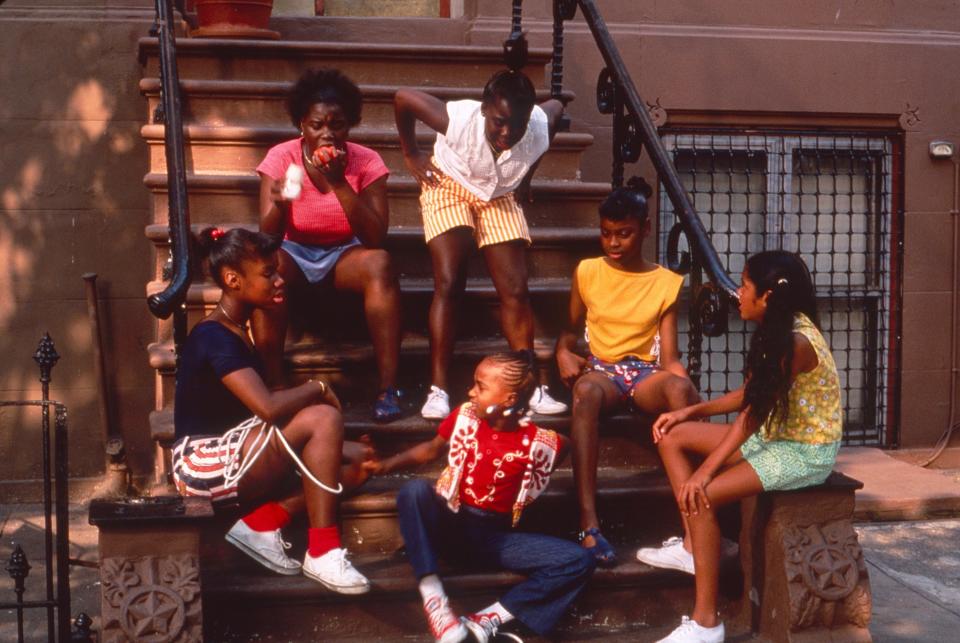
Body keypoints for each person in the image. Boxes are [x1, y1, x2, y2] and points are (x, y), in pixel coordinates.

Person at [648, 251, 843, 643]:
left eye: (744, 285)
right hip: (775, 434)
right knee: (671, 436)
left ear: (768, 296)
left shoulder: (795, 342)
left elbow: (750, 417)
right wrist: (691, 412)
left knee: (703, 497)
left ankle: (706, 624)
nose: (737, 293)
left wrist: (704, 474)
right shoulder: (779, 328)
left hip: (803, 452)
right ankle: (693, 546)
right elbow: (750, 396)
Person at [171, 227, 372, 594]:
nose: (280, 281)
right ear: (233, 280)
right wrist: (319, 387)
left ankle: (261, 524)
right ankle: (323, 551)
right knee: (324, 416)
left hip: (236, 452)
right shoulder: (213, 336)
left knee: (354, 468)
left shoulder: (238, 330)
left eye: (277, 271)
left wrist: (339, 447)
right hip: (199, 465)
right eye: (268, 273)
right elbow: (266, 408)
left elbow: (270, 413)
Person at [365, 351, 596, 643]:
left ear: (509, 399)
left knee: (578, 560)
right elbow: (431, 449)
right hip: (452, 526)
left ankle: (485, 619)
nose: (471, 391)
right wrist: (384, 466)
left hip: (494, 541)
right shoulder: (465, 417)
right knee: (415, 491)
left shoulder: (537, 441)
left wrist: (532, 442)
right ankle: (434, 597)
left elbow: (565, 445)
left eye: (481, 386)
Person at [394, 69, 568, 420]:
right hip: (449, 185)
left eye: (516, 126)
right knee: (449, 280)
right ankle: (438, 391)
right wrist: (411, 152)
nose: (508, 133)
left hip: (499, 194)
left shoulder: (536, 123)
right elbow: (403, 97)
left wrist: (526, 178)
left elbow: (556, 108)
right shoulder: (456, 119)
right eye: (500, 122)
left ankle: (529, 386)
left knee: (516, 289)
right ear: (485, 110)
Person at [554, 179, 699, 566]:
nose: (614, 243)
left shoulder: (666, 283)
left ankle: (694, 532)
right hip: (602, 372)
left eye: (624, 234)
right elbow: (568, 333)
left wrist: (686, 391)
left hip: (644, 374)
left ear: (646, 229)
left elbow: (668, 357)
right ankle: (589, 524)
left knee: (679, 391)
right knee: (584, 393)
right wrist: (562, 354)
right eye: (606, 234)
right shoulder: (587, 272)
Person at [254, 68, 404, 422]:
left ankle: (388, 388)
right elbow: (268, 236)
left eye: (336, 125)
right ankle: (274, 385)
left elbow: (374, 237)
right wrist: (279, 203)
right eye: (316, 125)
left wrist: (340, 183)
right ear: (301, 125)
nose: (326, 134)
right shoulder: (281, 158)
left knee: (381, 263)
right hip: (294, 251)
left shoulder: (366, 161)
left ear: (349, 125)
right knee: (265, 265)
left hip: (344, 253)